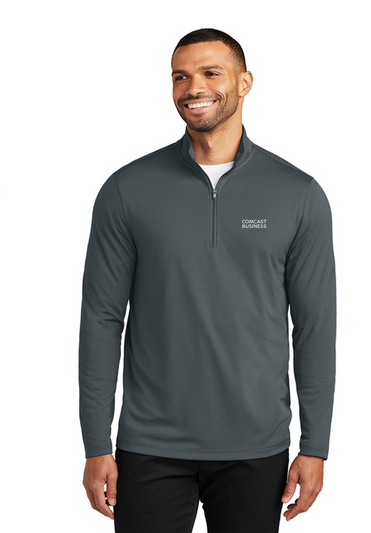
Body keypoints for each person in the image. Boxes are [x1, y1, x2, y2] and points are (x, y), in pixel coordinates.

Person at [79, 28, 336, 532]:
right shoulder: (127, 190)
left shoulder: (298, 194)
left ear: (245, 82)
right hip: (149, 445)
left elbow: (315, 327)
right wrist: (95, 444)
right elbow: (102, 319)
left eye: (210, 73)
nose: (193, 86)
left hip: (256, 447)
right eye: (180, 76)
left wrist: (315, 446)